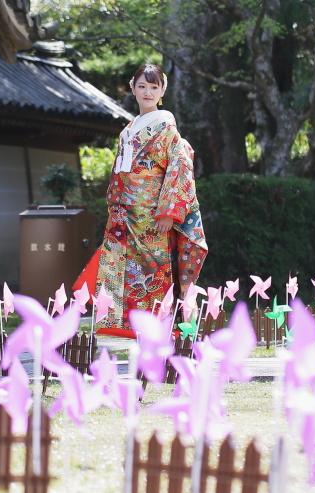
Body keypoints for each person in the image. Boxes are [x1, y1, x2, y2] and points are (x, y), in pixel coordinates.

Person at [75, 64, 208, 337]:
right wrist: (115, 204)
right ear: (133, 88)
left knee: (152, 269)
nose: (148, 91)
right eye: (142, 86)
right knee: (118, 266)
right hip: (124, 214)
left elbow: (180, 167)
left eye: (154, 86)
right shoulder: (128, 130)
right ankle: (121, 326)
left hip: (152, 214)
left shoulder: (166, 128)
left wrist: (169, 211)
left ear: (163, 91)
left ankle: (159, 329)